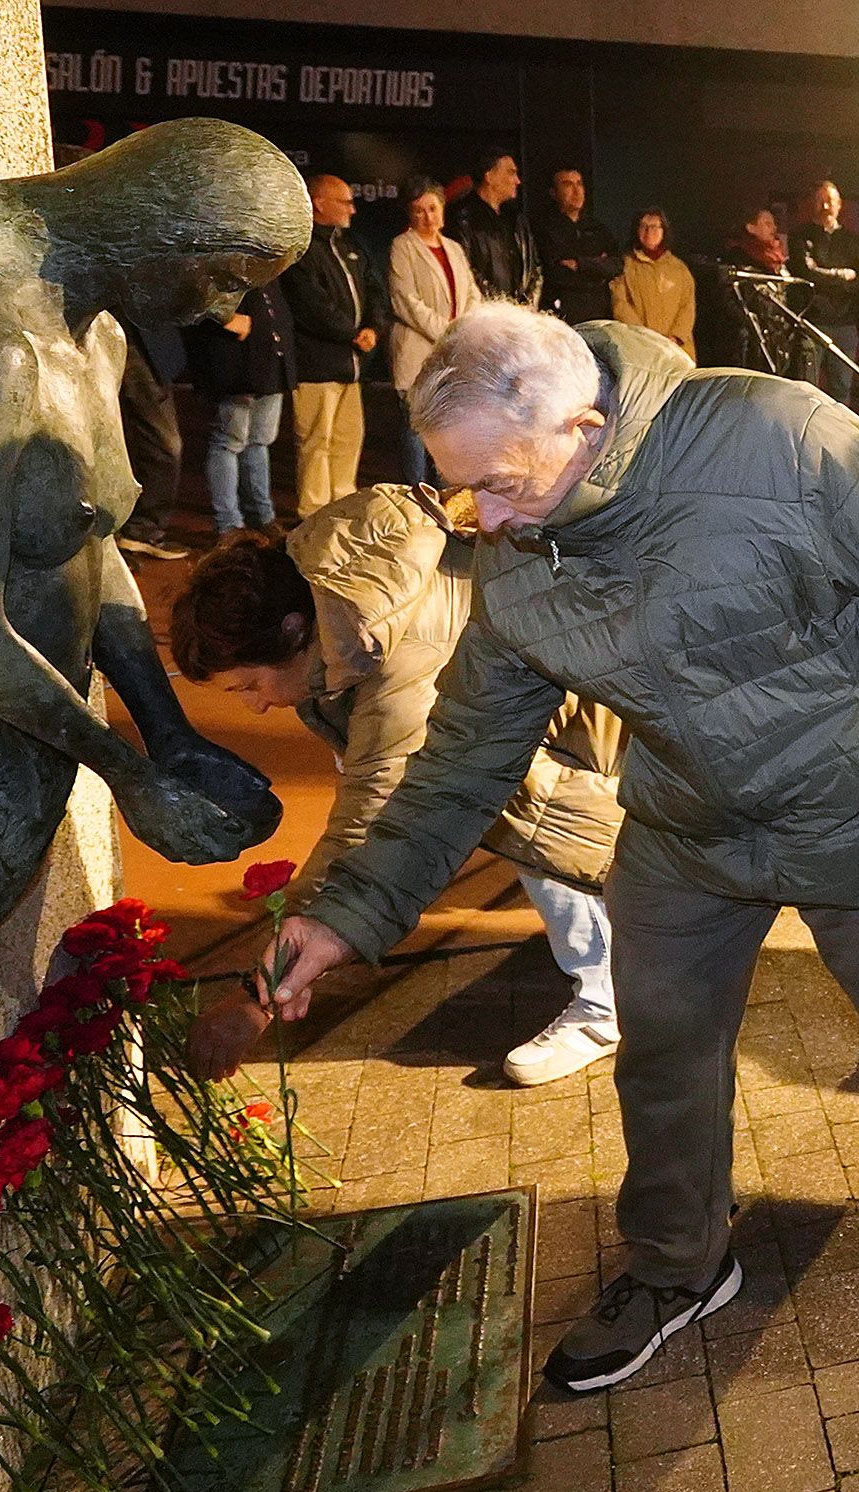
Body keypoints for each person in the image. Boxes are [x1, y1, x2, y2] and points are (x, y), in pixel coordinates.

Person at [258, 304, 859, 1390]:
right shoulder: (517, 550)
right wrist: (348, 908)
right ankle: (678, 1263)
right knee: (661, 1052)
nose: (475, 514)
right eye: (455, 483)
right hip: (688, 826)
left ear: (582, 426)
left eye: (498, 480)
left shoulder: (778, 441)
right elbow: (462, 756)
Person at [167, 493, 629, 1086]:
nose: (257, 705)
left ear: (290, 630)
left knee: (523, 812)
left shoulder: (399, 651)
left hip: (596, 717)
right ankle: (623, 967)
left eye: (249, 685)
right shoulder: (341, 593)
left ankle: (605, 1002)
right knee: (504, 804)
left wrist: (262, 993)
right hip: (579, 690)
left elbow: (377, 814)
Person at [282, 174, 384, 515]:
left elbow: (375, 292)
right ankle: (313, 513)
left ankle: (343, 506)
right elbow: (311, 305)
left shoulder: (349, 246)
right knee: (316, 443)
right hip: (317, 366)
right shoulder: (301, 250)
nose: (353, 210)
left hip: (351, 367)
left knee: (346, 440)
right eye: (344, 202)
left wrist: (374, 327)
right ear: (318, 203)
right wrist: (352, 334)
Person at [182, 274, 298, 535]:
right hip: (235, 364)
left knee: (259, 441)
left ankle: (262, 516)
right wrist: (226, 319)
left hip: (268, 364)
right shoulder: (221, 255)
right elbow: (193, 295)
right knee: (228, 443)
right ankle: (229, 524)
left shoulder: (267, 263)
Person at [387, 178, 477, 487]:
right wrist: (449, 331)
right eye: (419, 210)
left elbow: (472, 294)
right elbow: (406, 301)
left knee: (445, 425)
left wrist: (464, 328)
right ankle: (416, 493)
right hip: (417, 350)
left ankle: (445, 491)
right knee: (416, 427)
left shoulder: (453, 248)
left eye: (433, 208)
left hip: (452, 352)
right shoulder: (402, 246)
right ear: (410, 214)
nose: (427, 217)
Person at [791, 180, 859, 405]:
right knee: (807, 390)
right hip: (813, 322)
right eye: (820, 201)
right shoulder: (801, 236)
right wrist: (843, 275)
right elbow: (807, 273)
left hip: (845, 323)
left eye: (830, 201)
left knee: (842, 390)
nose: (825, 206)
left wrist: (834, 280)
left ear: (840, 205)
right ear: (812, 204)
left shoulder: (854, 240)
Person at [113, 326, 189, 558]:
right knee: (163, 444)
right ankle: (138, 530)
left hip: (145, 341)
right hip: (133, 338)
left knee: (162, 444)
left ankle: (140, 530)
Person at [700, 207, 794, 372]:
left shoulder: (777, 260)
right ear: (750, 227)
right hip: (747, 346)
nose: (774, 229)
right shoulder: (737, 260)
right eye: (767, 223)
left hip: (776, 343)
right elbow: (729, 303)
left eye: (774, 224)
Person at [449, 149, 543, 308]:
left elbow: (534, 268)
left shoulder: (517, 219)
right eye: (511, 173)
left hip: (521, 318)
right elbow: (464, 270)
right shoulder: (462, 219)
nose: (517, 181)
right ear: (489, 177)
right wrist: (499, 308)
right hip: (484, 316)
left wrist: (527, 307)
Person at [532, 168, 622, 326]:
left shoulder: (598, 229)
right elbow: (555, 272)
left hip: (599, 315)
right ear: (553, 192)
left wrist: (580, 264)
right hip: (560, 318)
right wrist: (596, 267)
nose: (576, 190)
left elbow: (616, 266)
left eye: (579, 184)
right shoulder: (543, 229)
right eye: (567, 184)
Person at [610, 209, 697, 357]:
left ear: (664, 230)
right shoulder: (625, 265)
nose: (649, 231)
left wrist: (675, 337)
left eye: (655, 226)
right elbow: (620, 304)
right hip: (640, 348)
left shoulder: (679, 268)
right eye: (643, 226)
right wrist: (644, 337)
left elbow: (687, 306)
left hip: (676, 351)